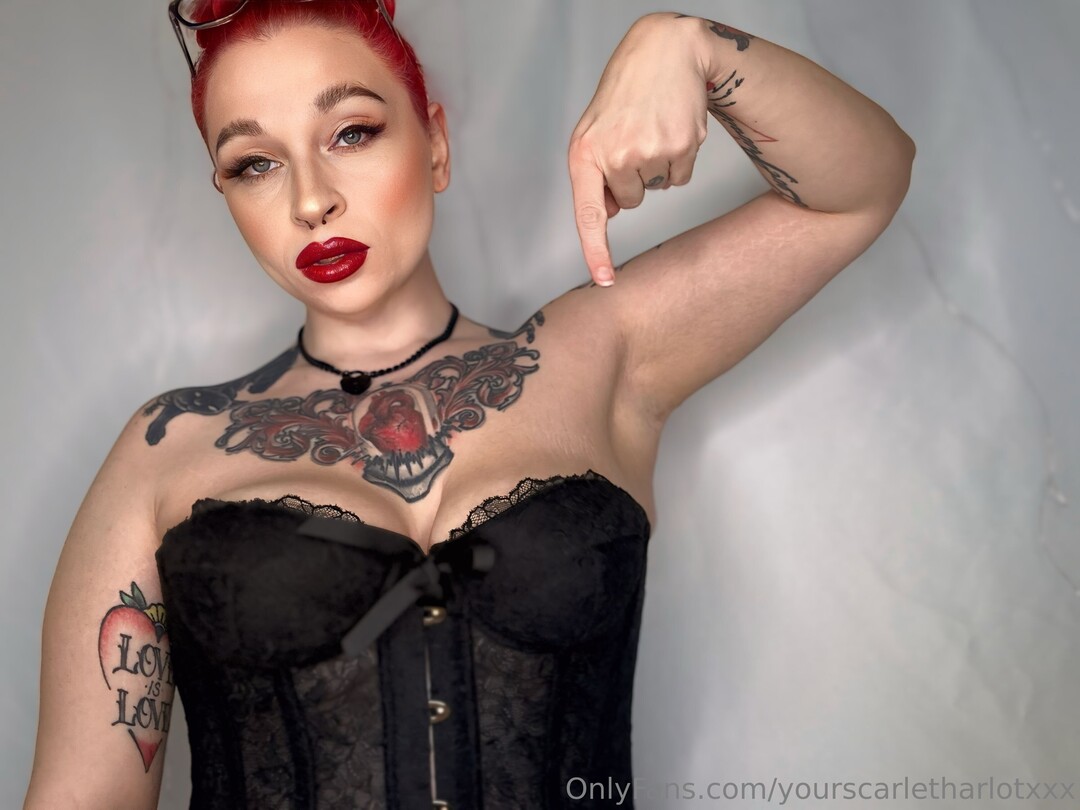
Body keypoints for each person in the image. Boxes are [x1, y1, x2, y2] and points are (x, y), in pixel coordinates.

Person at [23, 1, 915, 807]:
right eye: (254, 163)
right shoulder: (169, 445)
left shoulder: (591, 359)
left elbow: (859, 187)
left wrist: (690, 45)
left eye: (352, 132)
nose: (311, 200)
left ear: (436, 146)